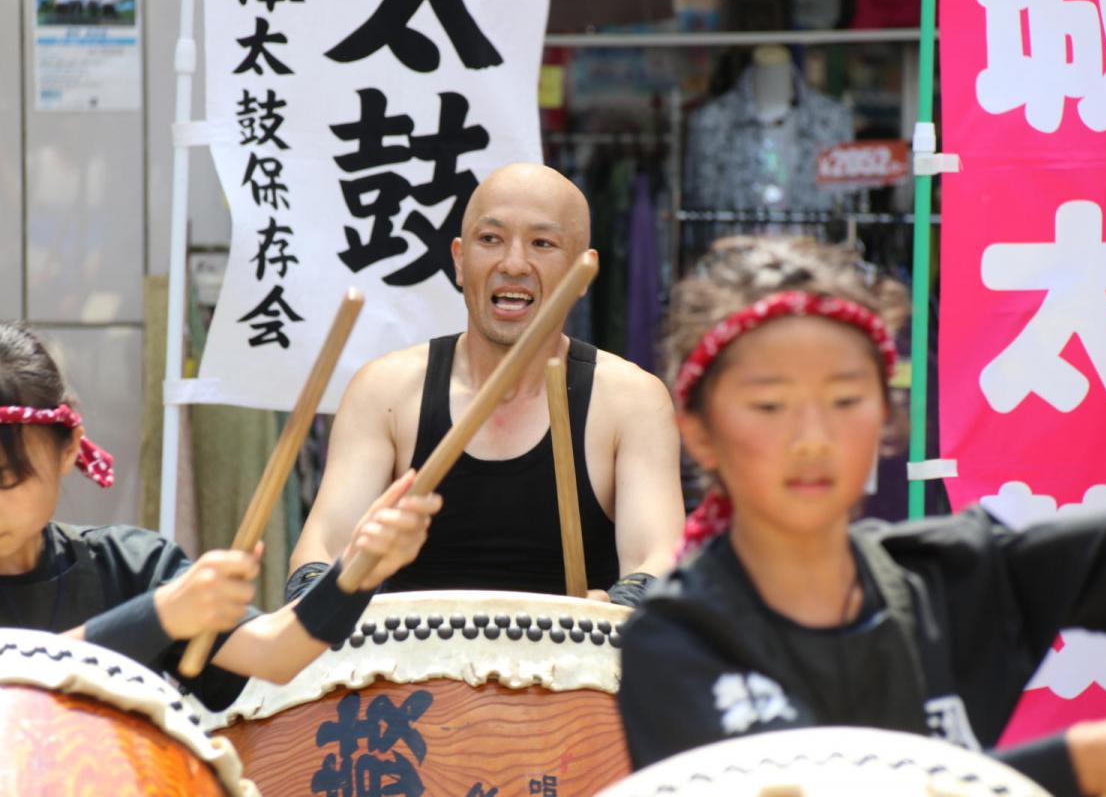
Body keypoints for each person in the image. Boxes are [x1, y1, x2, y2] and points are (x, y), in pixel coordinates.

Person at [617, 236, 1106, 797]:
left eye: (846, 401)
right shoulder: (677, 637)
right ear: (698, 434)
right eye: (770, 406)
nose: (812, 439)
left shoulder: (951, 571)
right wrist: (1082, 767)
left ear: (886, 416)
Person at [289, 163, 683, 606]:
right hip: (407, 667)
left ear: (582, 272)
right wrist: (315, 599)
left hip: (571, 667)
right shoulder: (387, 392)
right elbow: (321, 547)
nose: (513, 263)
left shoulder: (631, 401)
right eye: (490, 239)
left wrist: (617, 611)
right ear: (459, 259)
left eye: (542, 243)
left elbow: (658, 558)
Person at [0, 322, 441, 709]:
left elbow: (276, 651)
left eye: (7, 480)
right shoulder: (157, 603)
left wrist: (358, 569)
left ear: (70, 447)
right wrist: (156, 618)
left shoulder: (129, 567)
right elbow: (15, 684)